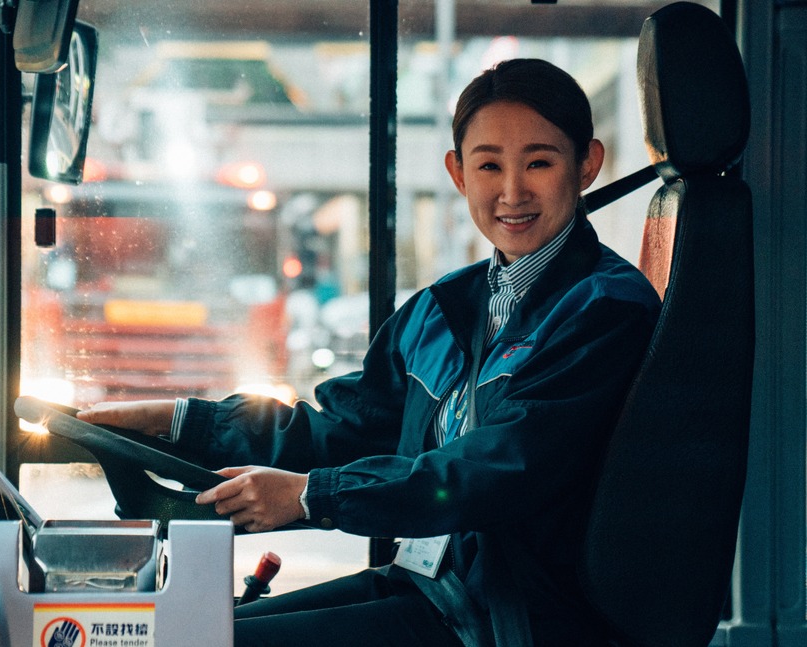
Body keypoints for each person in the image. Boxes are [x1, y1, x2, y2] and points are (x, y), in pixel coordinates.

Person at [78, 58, 661, 646]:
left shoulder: (605, 310)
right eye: (489, 165)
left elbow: (497, 469)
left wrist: (311, 497)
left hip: (516, 620)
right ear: (459, 174)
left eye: (539, 162)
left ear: (587, 164)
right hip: (435, 589)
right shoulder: (442, 310)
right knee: (184, 632)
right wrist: (184, 420)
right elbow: (346, 429)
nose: (512, 192)